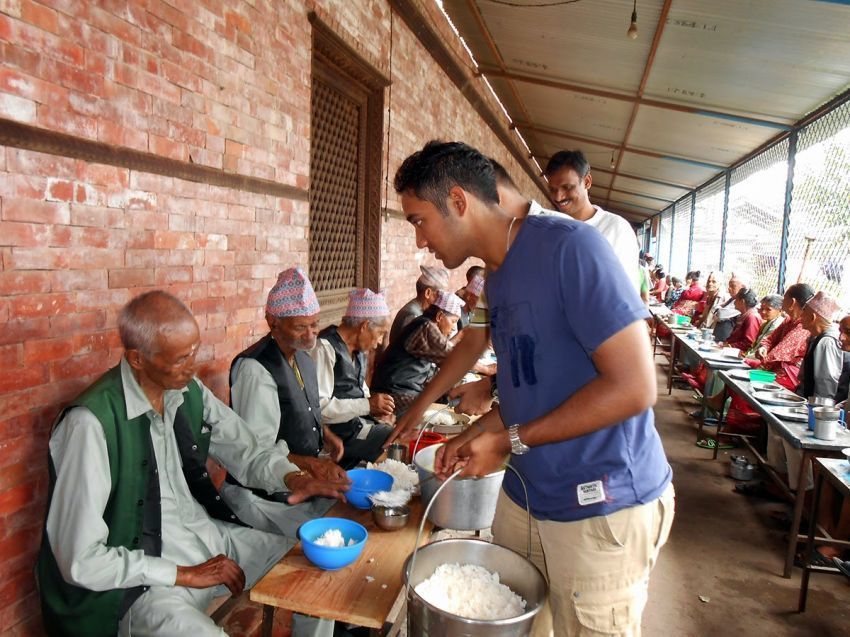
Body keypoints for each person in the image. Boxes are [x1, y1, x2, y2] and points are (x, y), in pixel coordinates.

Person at [393, 140, 674, 637]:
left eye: (419, 220)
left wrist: (508, 441)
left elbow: (634, 386)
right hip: (528, 496)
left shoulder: (573, 249)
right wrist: (482, 428)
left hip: (599, 505)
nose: (419, 241)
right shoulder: (498, 276)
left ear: (458, 201)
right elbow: (536, 383)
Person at [36, 291, 347, 637]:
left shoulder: (185, 390)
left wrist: (292, 478)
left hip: (208, 540)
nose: (193, 367)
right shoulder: (90, 425)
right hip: (143, 585)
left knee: (314, 570)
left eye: (194, 352)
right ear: (137, 359)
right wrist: (183, 574)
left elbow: (247, 448)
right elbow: (79, 559)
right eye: (182, 358)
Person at [223, 268, 351, 539]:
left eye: (314, 324)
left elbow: (299, 406)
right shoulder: (255, 370)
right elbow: (257, 450)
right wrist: (311, 464)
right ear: (273, 322)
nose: (311, 335)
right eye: (300, 327)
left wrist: (325, 434)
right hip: (265, 498)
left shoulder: (303, 355)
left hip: (299, 480)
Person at [312, 288, 394, 468]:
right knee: (394, 442)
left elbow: (360, 390)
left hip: (355, 426)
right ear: (365, 326)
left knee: (398, 432)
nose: (379, 342)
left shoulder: (358, 351)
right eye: (380, 333)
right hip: (334, 436)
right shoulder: (324, 348)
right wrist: (367, 405)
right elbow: (320, 407)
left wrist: (375, 411)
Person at [544, 150, 640, 290]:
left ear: (587, 182)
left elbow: (627, 291)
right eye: (553, 190)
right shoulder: (549, 227)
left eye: (567, 187)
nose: (558, 197)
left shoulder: (616, 229)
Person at [372, 290, 465, 416]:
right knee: (440, 411)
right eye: (453, 321)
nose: (454, 327)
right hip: (395, 394)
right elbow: (454, 358)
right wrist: (486, 369)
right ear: (439, 316)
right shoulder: (426, 327)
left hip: (404, 389)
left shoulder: (424, 323)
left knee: (448, 397)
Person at [798, 291, 844, 399]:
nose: (800, 315)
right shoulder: (815, 337)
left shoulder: (827, 342)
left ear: (813, 317)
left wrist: (817, 411)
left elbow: (826, 385)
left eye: (804, 311)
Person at [388, 265, 449, 344]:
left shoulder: (421, 310)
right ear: (428, 293)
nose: (442, 299)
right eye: (440, 295)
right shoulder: (412, 316)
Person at [743, 294, 784, 358]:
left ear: (780, 310)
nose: (763, 312)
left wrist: (746, 357)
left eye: (768, 309)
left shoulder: (778, 325)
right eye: (762, 308)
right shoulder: (767, 323)